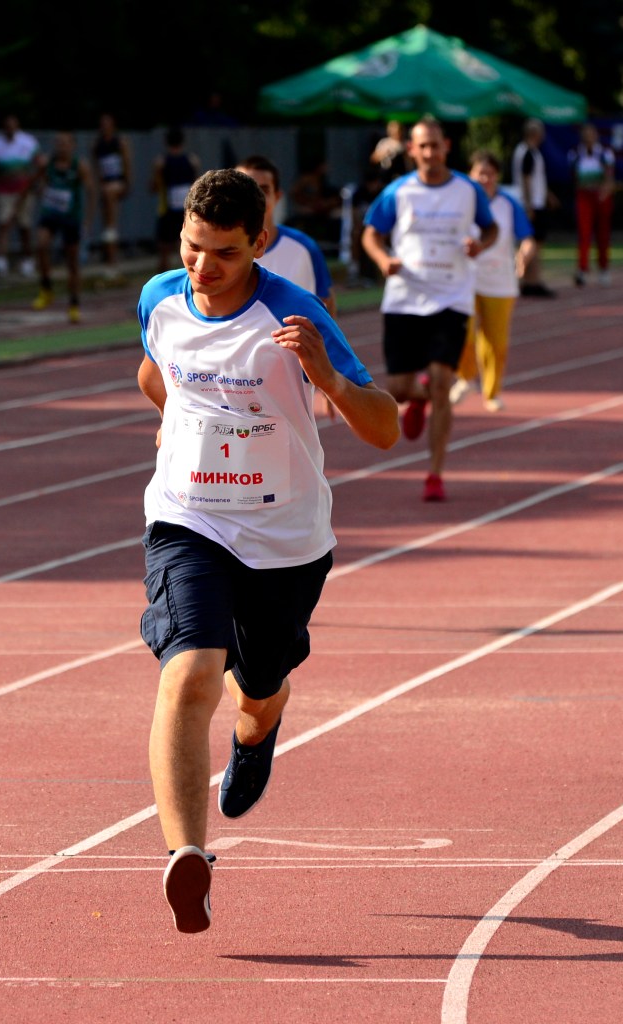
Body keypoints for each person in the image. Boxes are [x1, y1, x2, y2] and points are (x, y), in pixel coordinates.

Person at [136, 168, 399, 934]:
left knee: (256, 690)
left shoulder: (294, 312)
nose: (202, 267)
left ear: (258, 243)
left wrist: (326, 377)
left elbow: (383, 427)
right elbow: (154, 372)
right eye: (191, 247)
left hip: (283, 538)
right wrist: (178, 420)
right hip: (189, 518)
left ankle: (257, 732)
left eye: (223, 253)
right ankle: (188, 856)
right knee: (189, 673)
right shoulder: (158, 298)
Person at [361, 115, 498, 502]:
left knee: (442, 381)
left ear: (446, 147)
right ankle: (418, 397)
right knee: (397, 390)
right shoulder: (399, 191)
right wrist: (382, 259)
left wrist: (480, 245)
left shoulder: (468, 190)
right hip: (405, 297)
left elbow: (490, 228)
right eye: (422, 146)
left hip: (452, 296)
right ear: (411, 149)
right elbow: (371, 233)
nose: (430, 152)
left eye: (435, 145)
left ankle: (434, 473)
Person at [450, 150, 536, 413]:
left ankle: (492, 392)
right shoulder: (459, 202)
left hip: (500, 282)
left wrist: (524, 255)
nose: (485, 179)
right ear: (470, 175)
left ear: (497, 176)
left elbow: (527, 238)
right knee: (460, 333)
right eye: (480, 173)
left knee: (495, 343)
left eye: (490, 174)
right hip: (464, 279)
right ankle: (466, 378)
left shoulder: (508, 204)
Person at [234, 153, 337, 318]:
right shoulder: (218, 250)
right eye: (246, 190)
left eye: (263, 190)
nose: (255, 198)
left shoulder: (304, 247)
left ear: (277, 196)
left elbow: (326, 304)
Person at [31, 131, 95, 323]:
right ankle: (46, 288)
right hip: (50, 214)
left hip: (71, 218)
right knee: (41, 245)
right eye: (58, 143)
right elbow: (35, 183)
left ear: (73, 146)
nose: (61, 147)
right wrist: (40, 190)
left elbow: (91, 192)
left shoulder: (79, 166)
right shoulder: (47, 164)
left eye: (65, 143)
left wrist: (87, 221)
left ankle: (74, 304)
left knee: (72, 262)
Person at [511, 118, 557, 298]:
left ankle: (531, 281)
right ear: (535, 133)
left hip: (535, 202)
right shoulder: (527, 152)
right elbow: (526, 179)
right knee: (533, 243)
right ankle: (524, 275)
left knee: (535, 242)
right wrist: (529, 204)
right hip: (532, 204)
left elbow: (536, 179)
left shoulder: (528, 151)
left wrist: (548, 195)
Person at [0, 114, 42, 277]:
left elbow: (39, 165)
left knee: (24, 225)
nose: (10, 129)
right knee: (3, 222)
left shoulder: (28, 142)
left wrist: (36, 184)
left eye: (13, 126)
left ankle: (27, 258)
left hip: (24, 191)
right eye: (7, 126)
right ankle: (0, 259)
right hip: (3, 190)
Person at [568, 123, 616, 287]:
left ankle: (604, 268)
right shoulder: (575, 154)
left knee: (603, 234)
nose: (588, 137)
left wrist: (604, 191)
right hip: (584, 196)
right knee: (584, 233)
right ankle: (582, 269)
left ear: (596, 135)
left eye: (591, 134)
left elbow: (610, 176)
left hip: (601, 196)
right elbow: (574, 177)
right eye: (585, 134)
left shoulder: (604, 153)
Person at [149, 126, 201, 273]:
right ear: (183, 142)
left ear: (166, 142)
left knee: (164, 249)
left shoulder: (160, 162)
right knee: (187, 247)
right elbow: (197, 185)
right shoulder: (192, 161)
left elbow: (153, 187)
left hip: (167, 209)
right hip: (187, 210)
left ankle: (163, 281)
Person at [91, 112, 132, 276]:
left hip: (117, 184)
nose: (105, 128)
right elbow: (97, 169)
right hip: (105, 186)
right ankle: (109, 257)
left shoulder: (119, 143)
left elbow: (127, 163)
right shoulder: (97, 145)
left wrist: (126, 184)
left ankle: (112, 261)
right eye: (102, 125)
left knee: (110, 223)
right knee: (107, 224)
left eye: (107, 124)